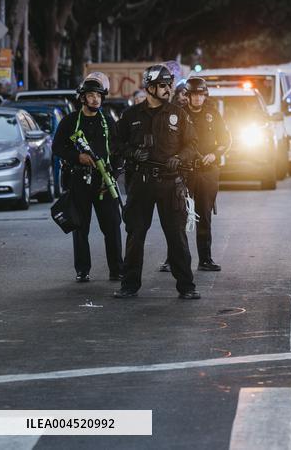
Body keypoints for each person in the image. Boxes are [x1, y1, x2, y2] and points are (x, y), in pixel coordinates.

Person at [113, 65, 201, 300]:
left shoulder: (178, 114)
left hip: (170, 183)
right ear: (150, 88)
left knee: (177, 236)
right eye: (162, 85)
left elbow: (193, 145)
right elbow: (116, 144)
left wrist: (179, 158)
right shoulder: (131, 115)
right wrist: (132, 153)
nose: (167, 89)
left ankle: (187, 287)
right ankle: (129, 285)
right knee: (135, 234)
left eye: (168, 85)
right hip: (140, 184)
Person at [52, 74, 123, 283]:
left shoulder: (108, 121)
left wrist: (115, 172)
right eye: (91, 95)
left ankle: (117, 269)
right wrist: (77, 157)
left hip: (104, 182)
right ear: (82, 98)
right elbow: (57, 147)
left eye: (98, 95)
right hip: (79, 181)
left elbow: (118, 150)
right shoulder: (70, 121)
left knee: (112, 226)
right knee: (80, 227)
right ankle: (82, 270)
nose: (95, 99)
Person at [160, 77, 230, 273]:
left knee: (204, 215)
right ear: (188, 96)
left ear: (204, 95)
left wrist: (214, 154)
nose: (198, 98)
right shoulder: (180, 114)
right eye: (194, 95)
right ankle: (171, 259)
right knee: (177, 216)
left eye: (201, 95)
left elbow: (226, 140)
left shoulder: (213, 114)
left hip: (207, 171)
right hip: (184, 171)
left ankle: (205, 259)